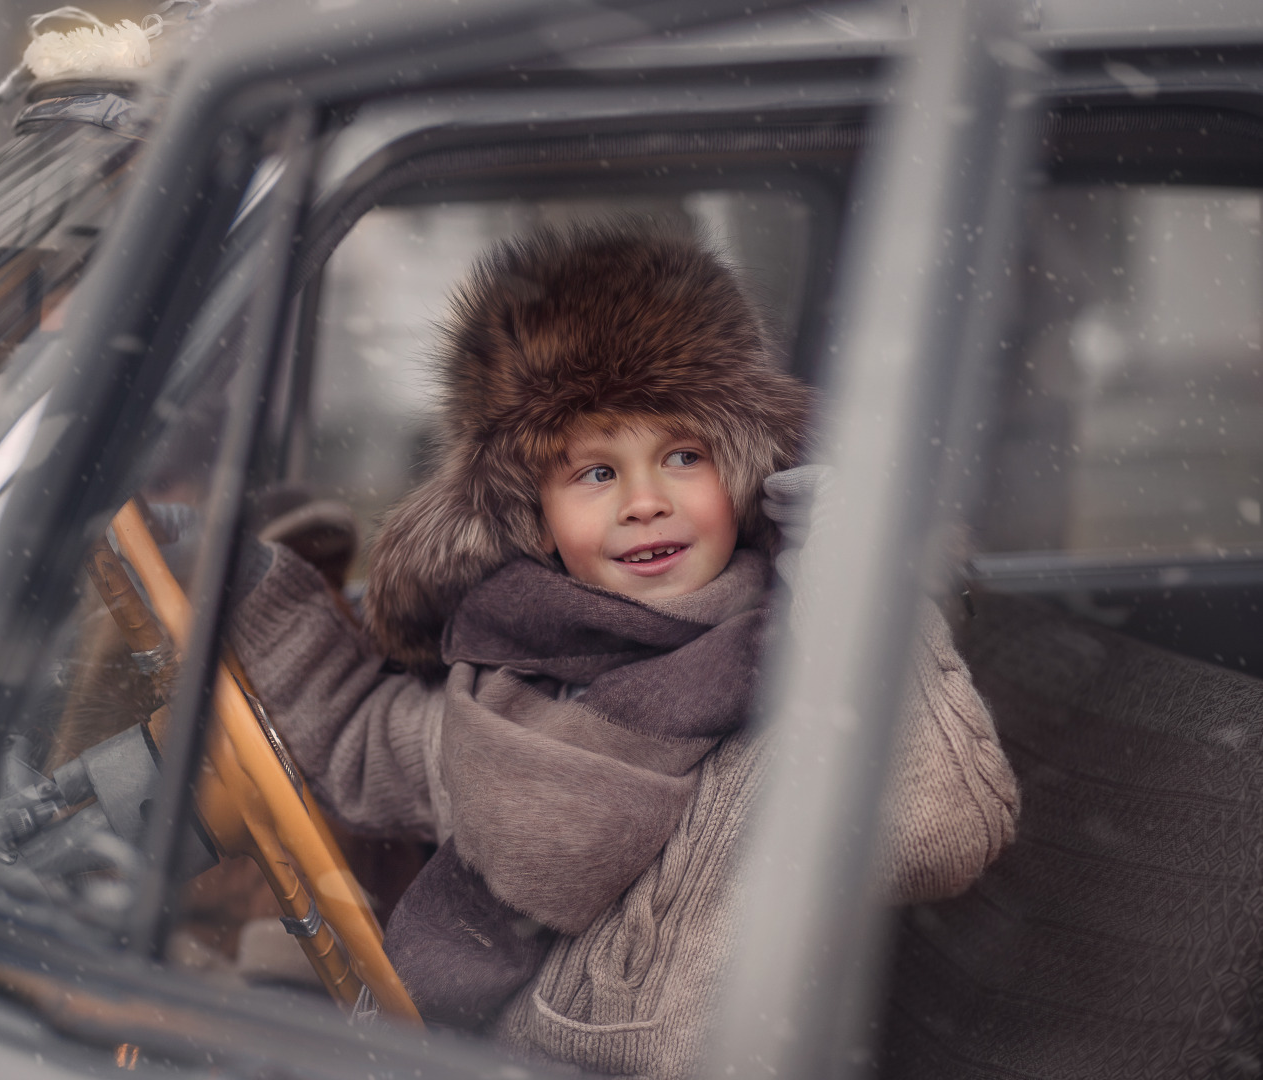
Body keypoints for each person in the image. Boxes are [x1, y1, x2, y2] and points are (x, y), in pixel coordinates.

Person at [224, 223, 1018, 1072]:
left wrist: (855, 579)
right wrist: (240, 580)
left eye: (683, 455)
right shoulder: (512, 686)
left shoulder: (804, 661)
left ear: (745, 469)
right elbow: (357, 737)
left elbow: (940, 827)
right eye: (595, 473)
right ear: (529, 514)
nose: (644, 501)